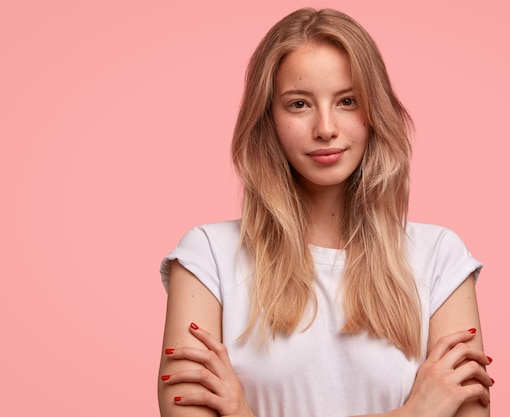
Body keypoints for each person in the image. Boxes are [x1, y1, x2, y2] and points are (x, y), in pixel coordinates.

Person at [158, 7, 492, 417]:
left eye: (348, 101)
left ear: (374, 112)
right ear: (269, 120)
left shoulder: (440, 257)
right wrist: (415, 413)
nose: (326, 127)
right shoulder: (207, 256)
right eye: (299, 104)